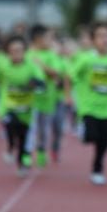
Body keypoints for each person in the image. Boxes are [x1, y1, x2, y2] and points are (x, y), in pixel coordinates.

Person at [66, 22, 107, 186]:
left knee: (104, 142)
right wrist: (68, 95)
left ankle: (97, 168)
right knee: (91, 135)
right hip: (88, 106)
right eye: (101, 36)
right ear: (93, 40)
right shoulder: (85, 59)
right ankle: (82, 127)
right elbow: (70, 76)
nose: (105, 40)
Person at [0, 35, 45, 176]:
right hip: (8, 106)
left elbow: (41, 82)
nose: (17, 53)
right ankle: (10, 147)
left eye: (20, 50)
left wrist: (36, 84)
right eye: (13, 51)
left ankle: (21, 164)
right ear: (8, 52)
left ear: (24, 51)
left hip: (26, 109)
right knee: (10, 126)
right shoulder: (3, 66)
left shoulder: (31, 66)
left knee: (23, 138)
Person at [27, 25, 66, 166]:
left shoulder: (51, 55)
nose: (51, 41)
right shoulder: (27, 54)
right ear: (38, 39)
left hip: (48, 99)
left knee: (45, 129)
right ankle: (25, 153)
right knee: (30, 128)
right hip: (30, 100)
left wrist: (42, 65)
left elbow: (56, 73)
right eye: (48, 38)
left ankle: (42, 150)